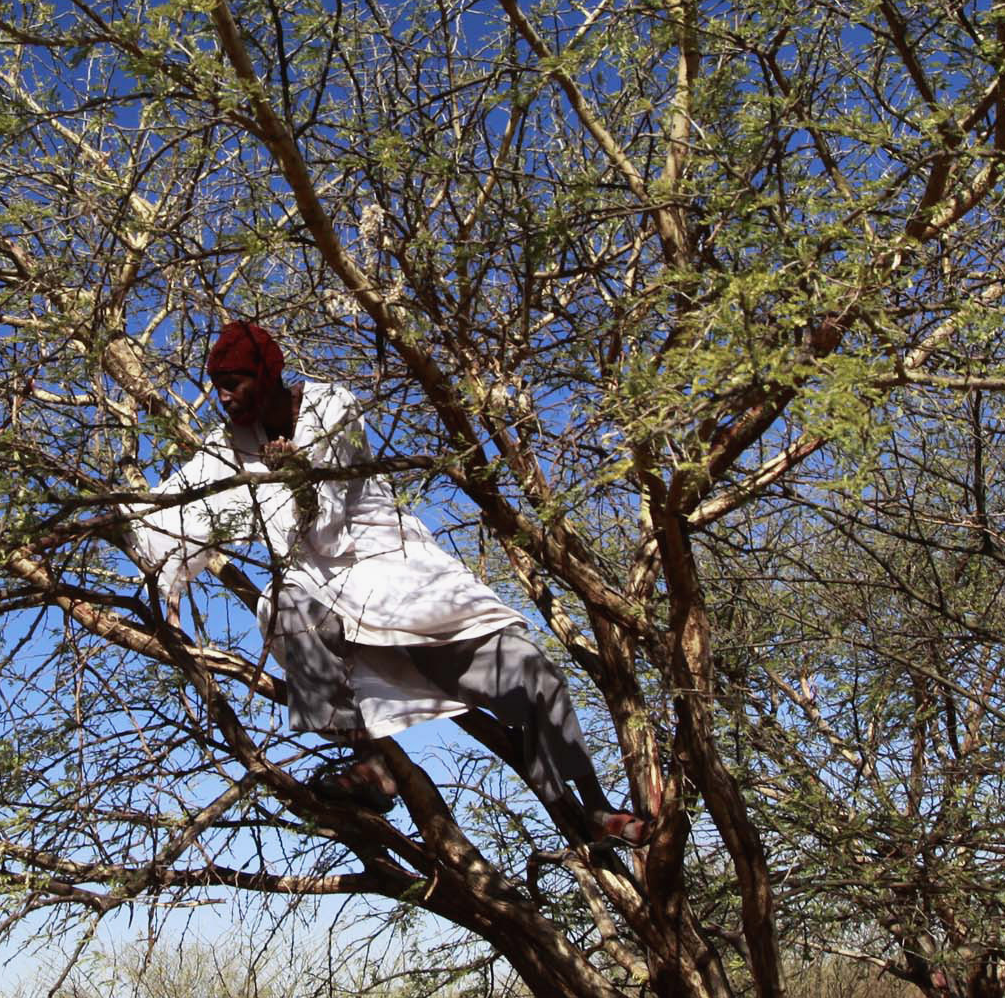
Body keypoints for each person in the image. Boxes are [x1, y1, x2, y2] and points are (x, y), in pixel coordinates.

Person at [126, 319, 638, 847]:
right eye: (217, 386)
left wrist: (300, 475)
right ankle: (370, 764)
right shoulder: (229, 446)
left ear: (267, 374)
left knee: (528, 669)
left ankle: (594, 806)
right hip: (322, 592)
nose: (223, 398)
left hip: (400, 577)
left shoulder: (331, 408)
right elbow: (175, 507)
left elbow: (328, 523)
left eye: (233, 383)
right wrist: (118, 523)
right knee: (284, 609)